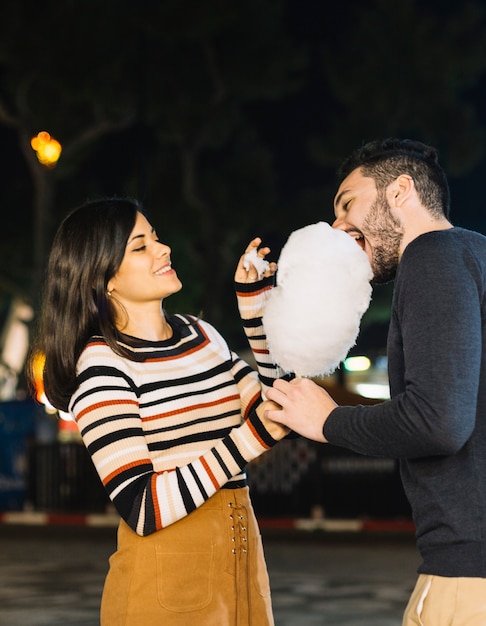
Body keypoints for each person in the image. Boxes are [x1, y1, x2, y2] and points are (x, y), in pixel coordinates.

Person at [265, 138, 486, 625]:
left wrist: (329, 421)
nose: (336, 227)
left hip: (484, 589)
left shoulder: (432, 257)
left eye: (348, 203)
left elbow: (438, 422)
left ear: (399, 192)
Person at [27, 197, 289, 625]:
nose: (163, 249)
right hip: (165, 592)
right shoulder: (102, 366)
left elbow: (280, 411)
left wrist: (256, 317)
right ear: (104, 277)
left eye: (157, 238)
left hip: (242, 574)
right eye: (140, 246)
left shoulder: (202, 334)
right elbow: (142, 507)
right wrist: (247, 440)